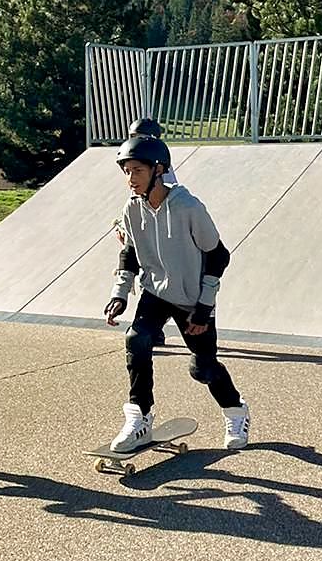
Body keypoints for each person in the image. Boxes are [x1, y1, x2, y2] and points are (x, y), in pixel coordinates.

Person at [104, 130, 250, 454]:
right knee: (136, 340)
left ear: (158, 170)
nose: (131, 179)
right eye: (126, 171)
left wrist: (204, 307)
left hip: (192, 298)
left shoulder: (188, 207)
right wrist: (120, 293)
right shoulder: (132, 209)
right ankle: (139, 418)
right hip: (154, 292)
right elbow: (130, 253)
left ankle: (236, 411)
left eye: (137, 171)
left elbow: (218, 256)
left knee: (203, 368)